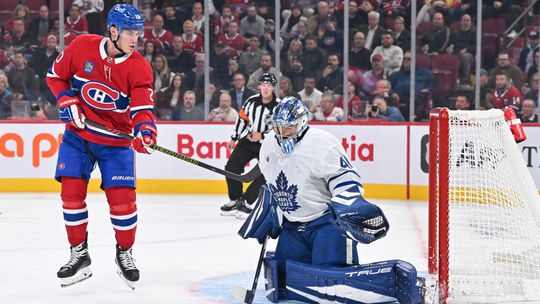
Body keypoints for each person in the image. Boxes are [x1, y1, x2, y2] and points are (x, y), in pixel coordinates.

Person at [238, 96, 424, 303]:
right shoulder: (269, 144)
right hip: (293, 225)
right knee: (282, 281)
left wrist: (349, 204)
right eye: (278, 127)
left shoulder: (321, 144)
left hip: (327, 223)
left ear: (301, 123)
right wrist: (273, 209)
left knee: (335, 284)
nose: (282, 133)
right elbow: (273, 180)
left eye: (288, 127)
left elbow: (346, 178)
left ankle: (401, 283)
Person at [46, 4, 156, 289]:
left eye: (138, 33)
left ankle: (125, 253)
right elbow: (54, 76)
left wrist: (145, 130)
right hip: (78, 135)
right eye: (130, 33)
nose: (135, 39)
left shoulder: (139, 67)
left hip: (116, 142)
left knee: (122, 202)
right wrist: (65, 99)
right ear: (113, 30)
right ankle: (79, 255)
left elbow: (143, 109)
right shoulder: (81, 46)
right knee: (70, 194)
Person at [220, 73, 279, 219]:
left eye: (269, 85)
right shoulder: (251, 102)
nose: (265, 88)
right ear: (259, 86)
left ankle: (246, 202)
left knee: (265, 173)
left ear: (273, 87)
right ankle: (235, 199)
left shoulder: (279, 105)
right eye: (263, 85)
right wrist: (234, 138)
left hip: (268, 145)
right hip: (248, 141)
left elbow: (281, 128)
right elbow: (242, 120)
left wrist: (263, 135)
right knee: (231, 167)